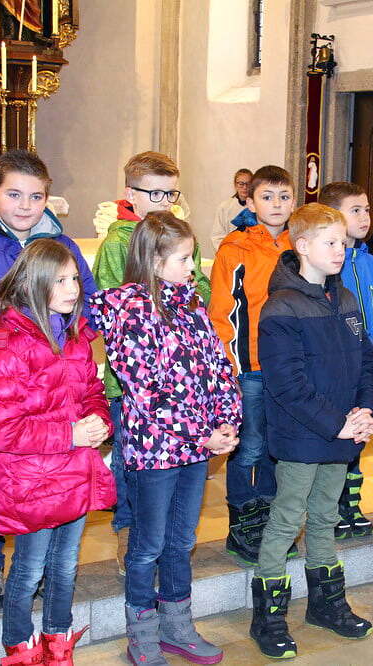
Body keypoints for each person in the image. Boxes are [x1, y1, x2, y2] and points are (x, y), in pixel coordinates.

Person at [0, 150, 99, 610]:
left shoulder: (63, 246)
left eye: (36, 196)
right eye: (14, 194)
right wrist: (17, 321)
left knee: (50, 476)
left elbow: (87, 303)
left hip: (55, 391)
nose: (25, 205)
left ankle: (39, 564)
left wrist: (70, 333)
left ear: (47, 198)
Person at [93, 211, 241, 666]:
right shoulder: (128, 311)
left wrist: (227, 421)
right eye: (183, 258)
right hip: (155, 451)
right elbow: (147, 392)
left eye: (191, 257)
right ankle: (141, 633)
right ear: (154, 261)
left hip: (196, 447)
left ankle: (177, 626)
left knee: (181, 540)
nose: (192, 267)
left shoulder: (191, 304)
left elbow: (218, 366)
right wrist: (203, 434)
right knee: (148, 545)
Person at [249, 203, 373, 659]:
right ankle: (268, 616)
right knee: (287, 519)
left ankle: (326, 604)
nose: (341, 250)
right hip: (304, 434)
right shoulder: (281, 306)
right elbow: (286, 384)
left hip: (343, 432)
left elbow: (365, 364)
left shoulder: (345, 299)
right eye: (331, 242)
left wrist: (366, 411)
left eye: (343, 242)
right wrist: (337, 423)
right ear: (302, 246)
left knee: (325, 516)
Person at [0, 239, 115, 665]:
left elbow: (92, 391)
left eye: (74, 278)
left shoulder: (75, 335)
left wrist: (99, 420)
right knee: (29, 567)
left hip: (73, 471)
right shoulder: (4, 342)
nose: (73, 288)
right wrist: (71, 434)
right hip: (31, 478)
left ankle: (58, 641)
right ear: (32, 284)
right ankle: (19, 645)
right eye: (60, 281)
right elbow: (1, 428)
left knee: (67, 563)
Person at [92, 151, 212, 577]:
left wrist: (187, 293)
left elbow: (201, 289)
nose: (164, 201)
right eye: (155, 193)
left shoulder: (180, 238)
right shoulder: (117, 243)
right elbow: (111, 301)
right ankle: (129, 528)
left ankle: (170, 533)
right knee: (131, 457)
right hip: (133, 379)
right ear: (131, 194)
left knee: (179, 461)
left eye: (171, 193)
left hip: (181, 375)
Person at [209, 165, 295, 566]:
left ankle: (270, 520)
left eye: (284, 197)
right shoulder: (236, 248)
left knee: (277, 446)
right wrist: (230, 366)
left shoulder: (301, 243)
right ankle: (242, 522)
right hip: (250, 366)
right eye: (267, 197)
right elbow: (223, 313)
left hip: (289, 369)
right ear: (250, 200)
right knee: (249, 446)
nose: (276, 205)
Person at [318, 181, 373, 540]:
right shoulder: (326, 263)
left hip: (368, 369)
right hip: (336, 368)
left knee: (360, 435)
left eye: (367, 209)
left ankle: (352, 504)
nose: (365, 217)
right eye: (355, 210)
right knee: (336, 438)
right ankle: (328, 507)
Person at [210, 168, 252, 251]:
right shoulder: (225, 207)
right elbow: (217, 236)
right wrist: (228, 252)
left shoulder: (258, 207)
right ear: (235, 185)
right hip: (229, 252)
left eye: (248, 184)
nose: (245, 187)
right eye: (241, 184)